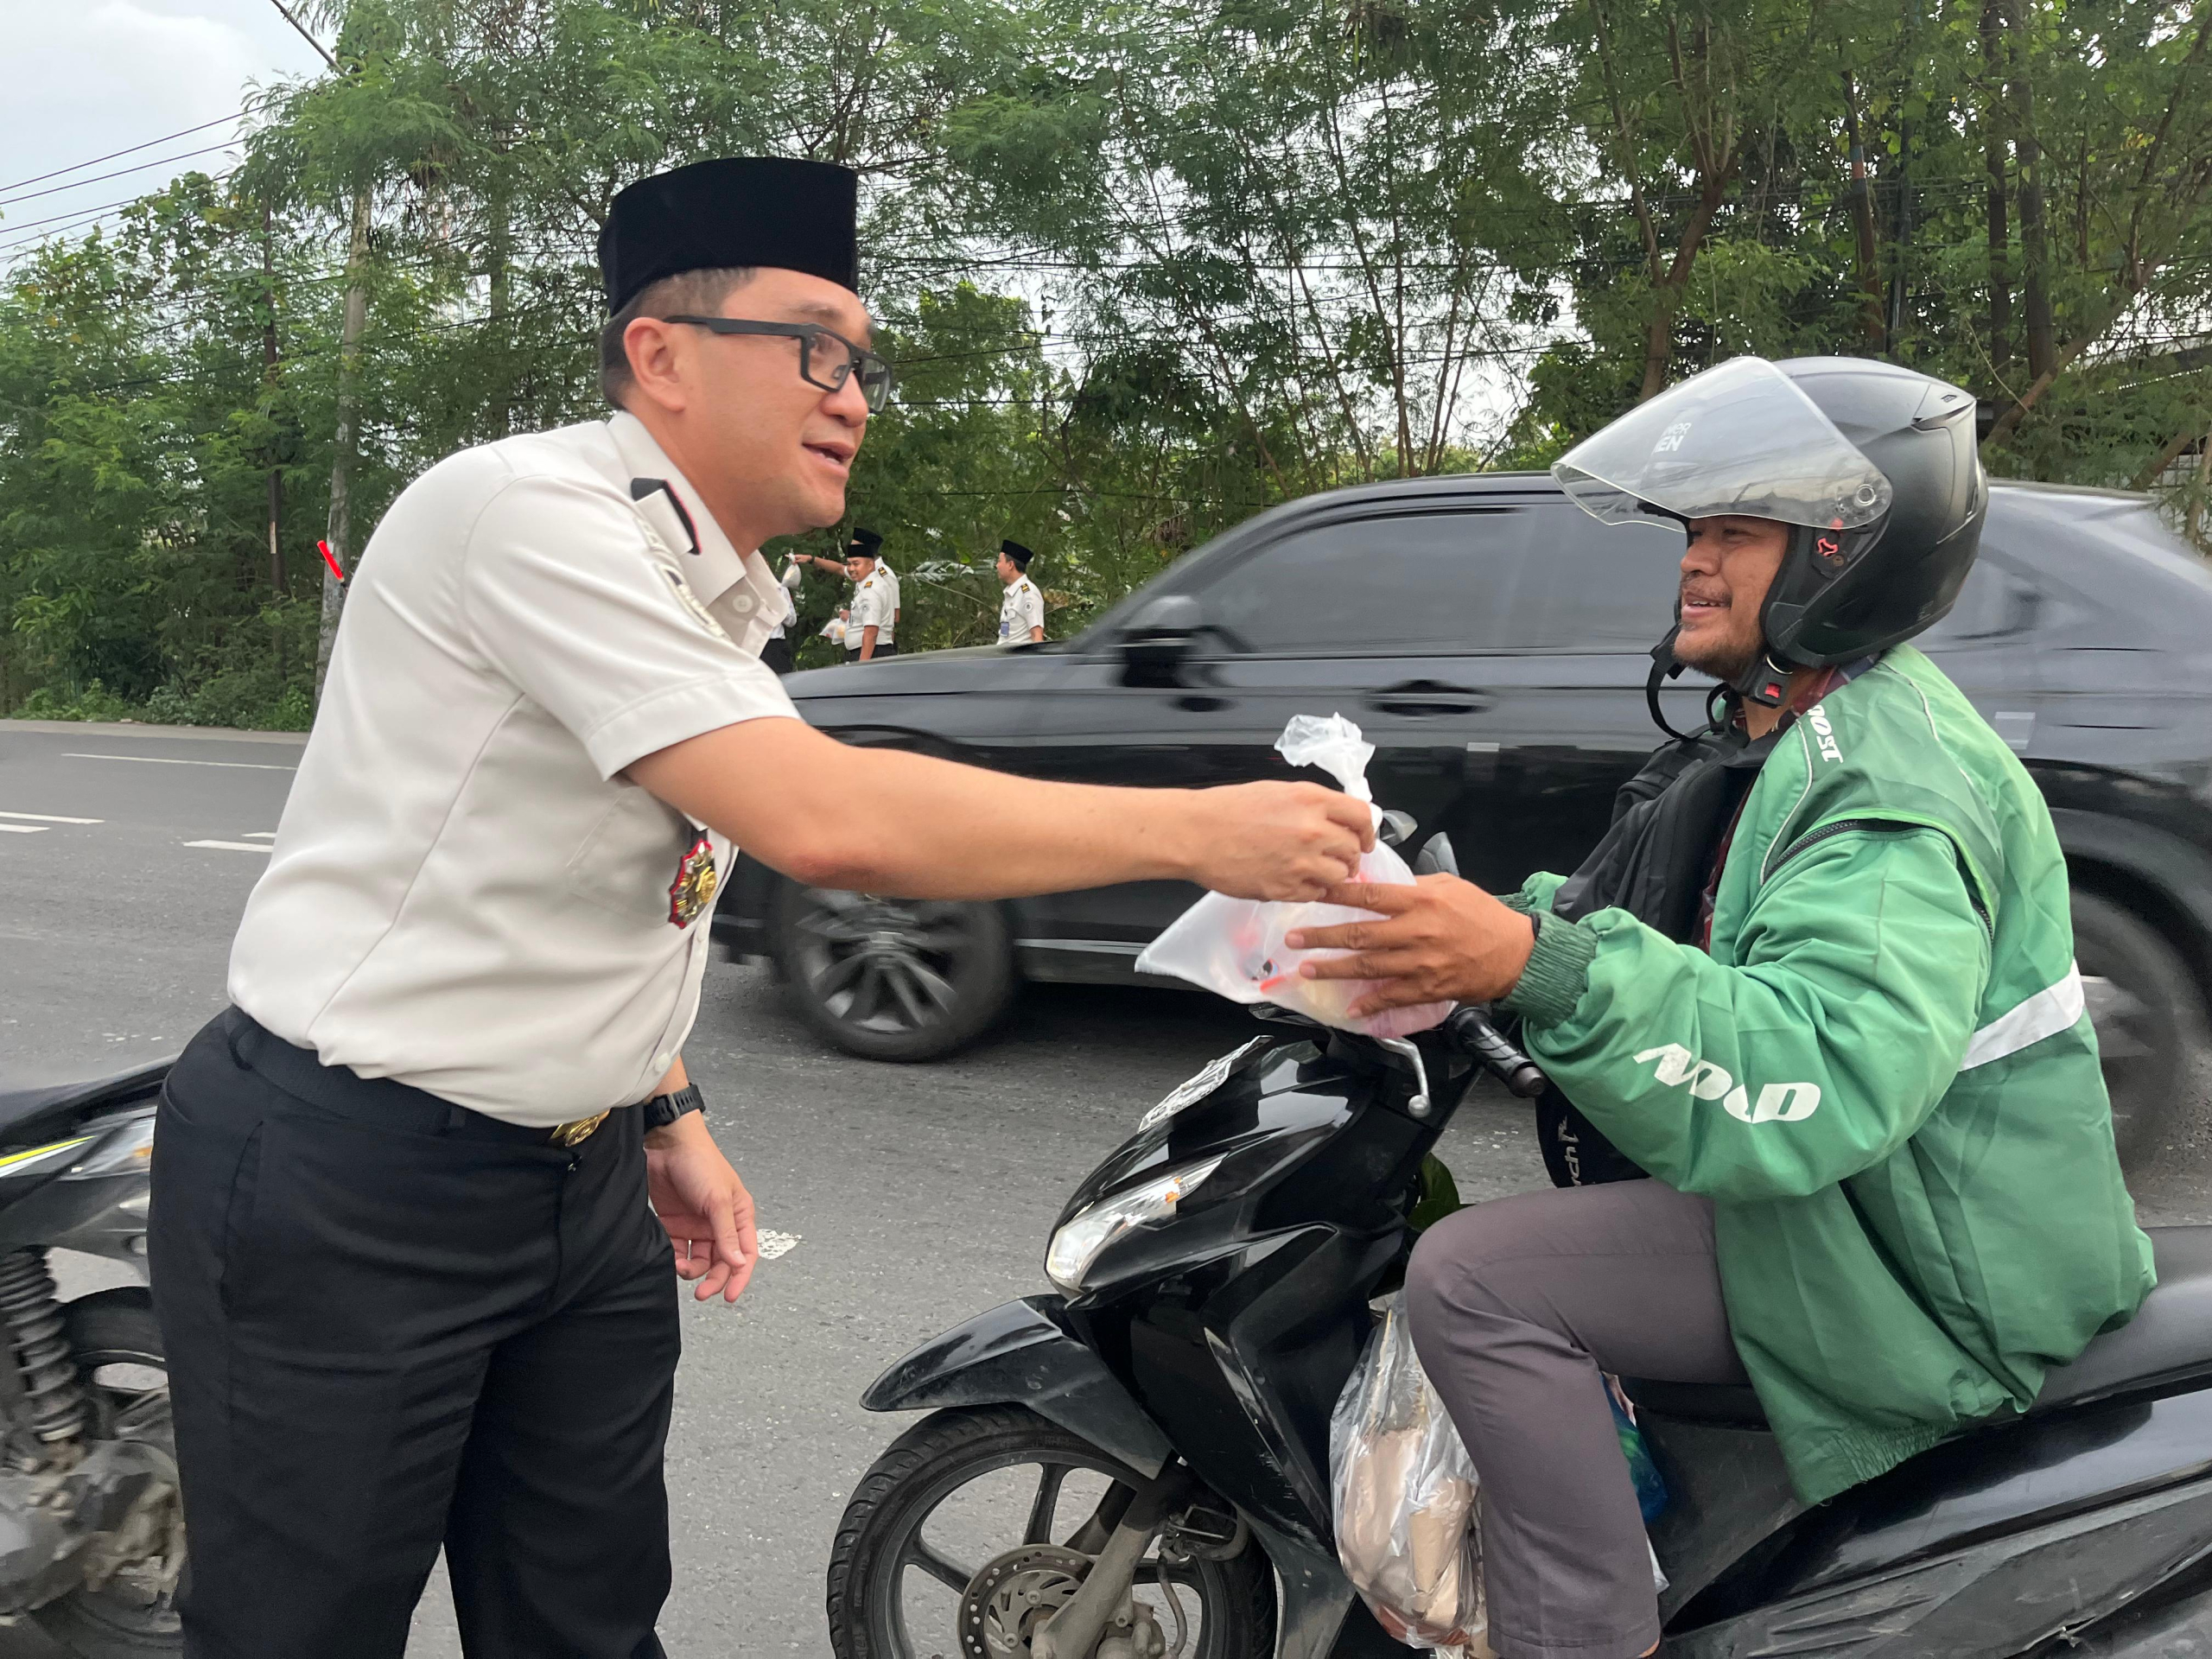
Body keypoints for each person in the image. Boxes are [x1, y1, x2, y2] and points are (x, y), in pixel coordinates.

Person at [148, 155, 1372, 1659]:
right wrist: (1204, 829)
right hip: (353, 1177)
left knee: (587, 1622)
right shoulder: (524, 514)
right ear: (658, 355)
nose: (852, 393)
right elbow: (825, 819)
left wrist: (664, 1112)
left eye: (863, 362)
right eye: (814, 348)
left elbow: (603, 885)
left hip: (576, 1189)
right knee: (300, 1629)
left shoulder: (715, 594)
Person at [1285, 356, 2154, 1659]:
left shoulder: (1889, 790)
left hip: (1918, 1265)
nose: (1694, 563)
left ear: (1845, 555)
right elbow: (1691, 926)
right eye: (1694, 531)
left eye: (1735, 533)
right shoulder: (1801, 728)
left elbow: (1824, 1072)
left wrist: (1538, 966)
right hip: (1874, 1209)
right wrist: (1481, 924)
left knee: (1470, 1281)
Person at [848, 531, 897, 660]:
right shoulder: (865, 583)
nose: (851, 568)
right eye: (849, 564)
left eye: (856, 564)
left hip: (873, 651)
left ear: (870, 565)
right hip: (873, 650)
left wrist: (862, 666)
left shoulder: (871, 589)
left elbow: (871, 632)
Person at [995, 537, 1046, 644]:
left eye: (1000, 561)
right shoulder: (1011, 593)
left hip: (1018, 659)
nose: (997, 565)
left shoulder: (1028, 593)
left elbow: (1036, 634)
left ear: (1010, 565)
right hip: (1004, 657)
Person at [759, 555, 802, 674]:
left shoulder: (781, 589)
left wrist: (779, 607)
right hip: (753, 645)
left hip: (775, 645)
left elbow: (792, 621)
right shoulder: (744, 590)